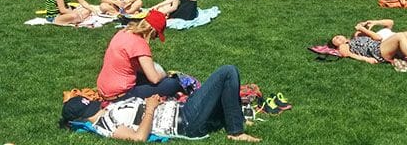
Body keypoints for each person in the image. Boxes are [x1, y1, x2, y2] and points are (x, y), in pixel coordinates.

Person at [62, 66, 260, 142]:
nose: (97, 105)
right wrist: (150, 107)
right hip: (186, 121)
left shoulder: (106, 111)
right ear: (82, 117)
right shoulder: (105, 125)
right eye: (90, 107)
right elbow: (138, 138)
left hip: (183, 109)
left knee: (222, 88)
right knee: (227, 73)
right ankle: (236, 132)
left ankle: (233, 119)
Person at [96, 10, 182, 99]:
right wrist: (163, 74)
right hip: (120, 94)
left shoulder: (123, 32)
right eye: (156, 35)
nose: (154, 39)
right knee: (172, 84)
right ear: (152, 30)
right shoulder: (140, 44)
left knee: (143, 75)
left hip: (104, 88)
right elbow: (154, 79)